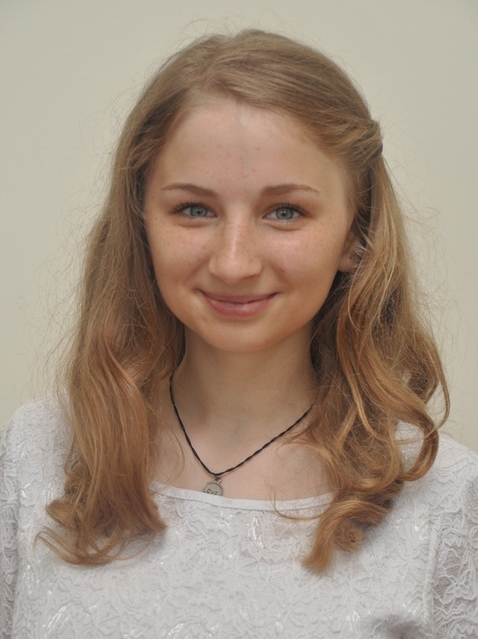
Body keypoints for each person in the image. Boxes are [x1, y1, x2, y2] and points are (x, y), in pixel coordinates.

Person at [1, 29, 477, 639]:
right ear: (141, 222)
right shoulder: (34, 454)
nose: (233, 263)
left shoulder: (444, 499)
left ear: (356, 235)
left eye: (285, 212)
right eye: (194, 209)